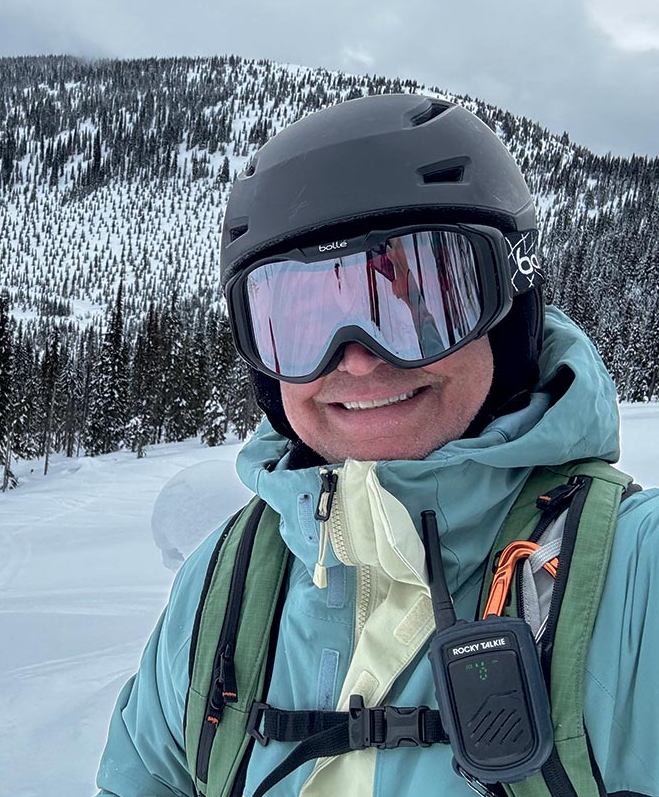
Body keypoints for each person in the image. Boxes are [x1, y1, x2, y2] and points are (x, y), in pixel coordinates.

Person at [95, 94, 658, 796]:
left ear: (509, 312)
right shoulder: (221, 585)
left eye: (422, 302)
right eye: (301, 320)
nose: (358, 361)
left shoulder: (633, 574)